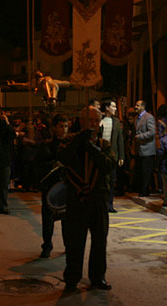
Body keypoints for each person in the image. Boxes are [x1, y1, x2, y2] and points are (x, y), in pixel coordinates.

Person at [59, 106, 115, 291]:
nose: (91, 124)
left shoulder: (104, 144)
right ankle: (72, 278)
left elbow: (108, 166)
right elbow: (63, 159)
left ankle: (98, 277)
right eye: (88, 120)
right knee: (75, 242)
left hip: (98, 197)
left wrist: (91, 148)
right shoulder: (69, 141)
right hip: (77, 198)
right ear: (81, 121)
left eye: (95, 120)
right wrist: (78, 142)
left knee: (99, 241)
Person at [37, 114, 70, 258]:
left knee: (67, 218)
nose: (64, 130)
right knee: (48, 218)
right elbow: (39, 165)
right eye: (61, 126)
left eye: (66, 126)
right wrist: (53, 165)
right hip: (50, 186)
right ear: (55, 128)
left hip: (67, 186)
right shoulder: (47, 145)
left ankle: (68, 245)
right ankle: (47, 245)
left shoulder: (71, 145)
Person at [100, 99, 124, 213]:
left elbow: (120, 140)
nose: (115, 109)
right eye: (113, 106)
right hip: (100, 154)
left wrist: (121, 156)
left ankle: (110, 204)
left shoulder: (116, 122)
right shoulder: (100, 120)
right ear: (107, 108)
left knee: (111, 181)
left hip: (112, 155)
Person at [134, 100, 156, 196]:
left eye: (138, 105)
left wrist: (140, 137)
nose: (136, 107)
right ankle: (142, 189)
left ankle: (145, 190)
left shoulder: (149, 117)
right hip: (139, 149)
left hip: (147, 148)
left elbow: (152, 132)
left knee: (146, 171)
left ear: (143, 107)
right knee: (141, 170)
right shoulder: (136, 118)